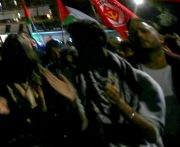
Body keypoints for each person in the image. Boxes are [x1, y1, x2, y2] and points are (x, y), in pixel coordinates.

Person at [67, 20, 165, 146]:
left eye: (82, 45)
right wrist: (74, 103)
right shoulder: (80, 82)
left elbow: (152, 134)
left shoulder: (138, 80)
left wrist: (121, 105)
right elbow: (84, 129)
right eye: (76, 46)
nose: (78, 52)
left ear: (99, 40)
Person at [128, 18, 179, 146]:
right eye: (134, 35)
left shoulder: (178, 65)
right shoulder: (128, 72)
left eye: (144, 31)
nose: (139, 35)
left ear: (161, 38)